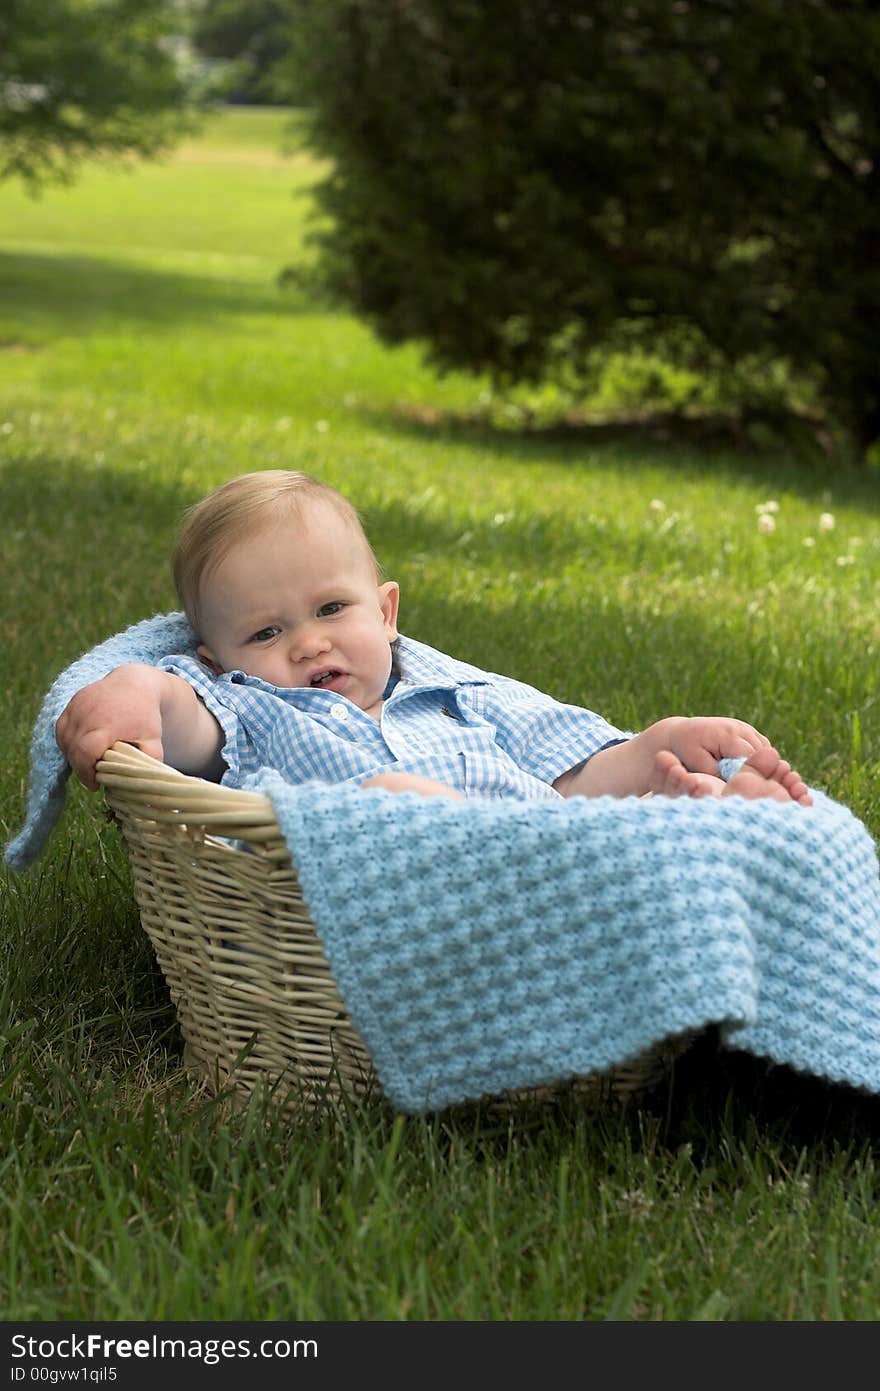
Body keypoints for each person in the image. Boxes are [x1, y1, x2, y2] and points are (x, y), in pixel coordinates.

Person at [55, 470, 813, 808]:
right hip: (414, 884)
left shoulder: (454, 701)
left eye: (330, 608)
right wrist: (131, 690)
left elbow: (570, 779)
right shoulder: (250, 709)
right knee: (394, 797)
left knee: (662, 794)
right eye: (265, 631)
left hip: (549, 851)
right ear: (216, 661)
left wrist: (659, 745)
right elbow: (180, 716)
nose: (307, 644)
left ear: (386, 612)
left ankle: (726, 813)